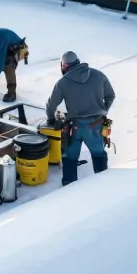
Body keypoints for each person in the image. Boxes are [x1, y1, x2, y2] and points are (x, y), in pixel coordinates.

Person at [45, 51, 116, 185]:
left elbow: (51, 105)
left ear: (64, 65)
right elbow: (110, 95)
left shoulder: (62, 82)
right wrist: (103, 111)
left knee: (70, 157)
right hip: (95, 125)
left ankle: (68, 186)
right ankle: (104, 185)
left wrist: (51, 119)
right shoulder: (98, 75)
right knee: (99, 154)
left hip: (74, 128)